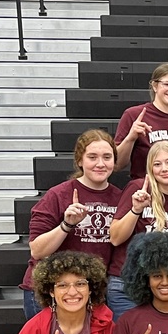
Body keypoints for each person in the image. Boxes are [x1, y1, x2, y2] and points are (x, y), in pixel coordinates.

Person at [20, 129, 123, 319]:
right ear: (80, 160)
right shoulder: (58, 195)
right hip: (49, 292)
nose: (100, 164)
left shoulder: (120, 198)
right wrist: (66, 225)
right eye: (92, 157)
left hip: (90, 293)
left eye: (107, 157)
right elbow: (37, 250)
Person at [108, 141, 168, 321]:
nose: (164, 169)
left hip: (162, 287)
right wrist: (136, 209)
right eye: (157, 164)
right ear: (150, 169)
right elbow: (115, 238)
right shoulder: (139, 188)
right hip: (126, 285)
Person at [114, 63, 168, 180]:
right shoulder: (134, 115)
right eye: (167, 84)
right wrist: (130, 139)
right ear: (155, 86)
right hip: (148, 193)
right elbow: (116, 165)